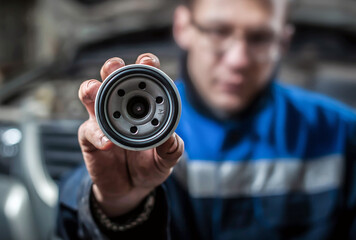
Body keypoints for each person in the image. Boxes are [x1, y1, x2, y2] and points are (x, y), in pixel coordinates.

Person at [57, 0, 356, 239]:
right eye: (218, 31)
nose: (239, 59)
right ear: (183, 26)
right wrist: (116, 207)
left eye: (260, 37)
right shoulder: (132, 143)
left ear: (283, 41)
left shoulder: (343, 133)